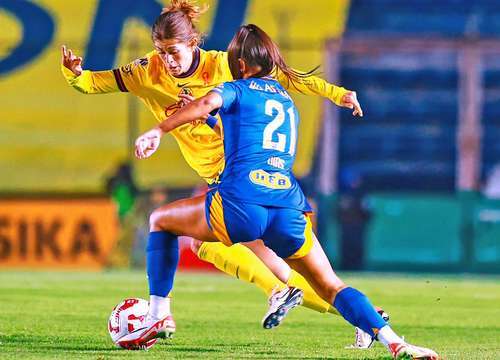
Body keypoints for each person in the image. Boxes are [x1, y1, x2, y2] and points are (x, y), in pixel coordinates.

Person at [118, 24, 439, 359]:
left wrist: (158, 130)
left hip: (241, 202)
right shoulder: (286, 103)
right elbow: (240, 137)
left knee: (161, 220)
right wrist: (212, 122)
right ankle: (396, 342)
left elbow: (203, 104)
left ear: (240, 64)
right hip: (287, 206)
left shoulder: (235, 90)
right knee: (331, 285)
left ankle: (158, 315)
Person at [61, 0, 372, 343]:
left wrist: (338, 94)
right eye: (160, 51)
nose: (166, 60)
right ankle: (361, 318)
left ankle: (176, 311)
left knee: (211, 246)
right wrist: (74, 74)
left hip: (242, 171)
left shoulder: (223, 65)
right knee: (269, 262)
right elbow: (94, 82)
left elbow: (286, 76)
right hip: (225, 179)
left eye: (173, 51)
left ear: (193, 43)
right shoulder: (145, 71)